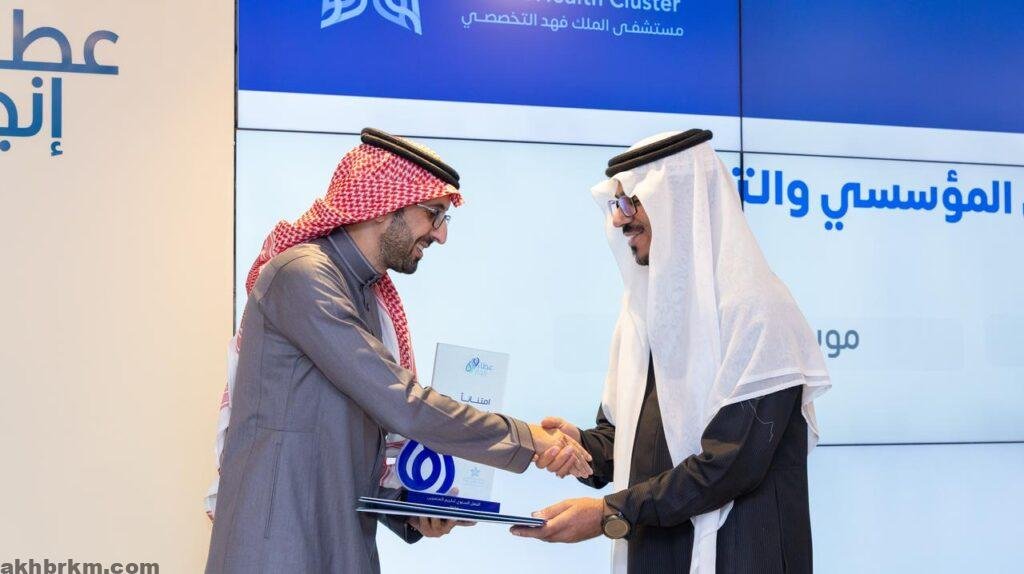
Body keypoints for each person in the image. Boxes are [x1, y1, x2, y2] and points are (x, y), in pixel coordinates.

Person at [205, 128, 591, 574]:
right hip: (277, 548)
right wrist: (528, 437)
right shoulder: (304, 276)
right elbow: (402, 403)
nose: (440, 235)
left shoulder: (366, 294)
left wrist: (409, 508)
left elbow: (342, 444)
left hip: (338, 541)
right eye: (434, 214)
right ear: (386, 206)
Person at [514, 130, 831, 574]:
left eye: (633, 202)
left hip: (741, 554)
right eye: (616, 204)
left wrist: (609, 513)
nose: (619, 220)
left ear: (681, 202)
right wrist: (581, 448)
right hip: (656, 549)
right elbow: (632, 441)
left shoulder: (757, 311)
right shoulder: (642, 312)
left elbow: (730, 464)